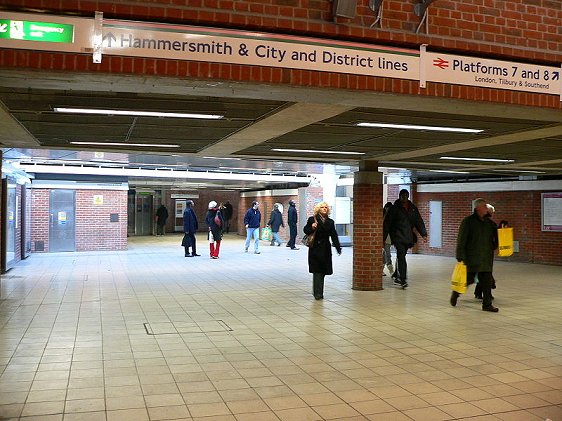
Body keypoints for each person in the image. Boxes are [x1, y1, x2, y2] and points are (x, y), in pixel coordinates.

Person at [451, 198, 499, 312]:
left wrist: (495, 245)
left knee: (486, 282)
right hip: (472, 257)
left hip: (486, 257)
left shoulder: (489, 223)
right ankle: (455, 294)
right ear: (477, 208)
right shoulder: (468, 221)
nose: (486, 208)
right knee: (468, 280)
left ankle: (487, 305)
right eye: (484, 206)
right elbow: (461, 239)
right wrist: (460, 255)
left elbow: (497, 236)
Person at [383, 189, 427, 289]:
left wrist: (424, 234)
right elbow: (387, 224)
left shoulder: (412, 208)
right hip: (397, 237)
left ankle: (396, 274)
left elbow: (418, 221)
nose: (404, 197)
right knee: (401, 256)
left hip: (408, 237)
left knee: (401, 256)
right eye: (403, 196)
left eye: (406, 196)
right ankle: (402, 279)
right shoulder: (394, 209)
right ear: (399, 196)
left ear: (408, 196)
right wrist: (383, 238)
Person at [303, 202, 342, 300]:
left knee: (323, 271)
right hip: (315, 249)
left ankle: (319, 291)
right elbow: (305, 230)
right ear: (318, 209)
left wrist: (338, 247)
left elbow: (333, 235)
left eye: (326, 207)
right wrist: (312, 227)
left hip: (325, 249)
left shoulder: (330, 221)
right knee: (317, 271)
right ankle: (317, 293)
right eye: (322, 207)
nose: (324, 209)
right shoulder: (313, 219)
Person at [382, 202, 394, 276]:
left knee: (386, 254)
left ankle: (388, 270)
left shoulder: (391, 217)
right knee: (386, 254)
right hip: (383, 237)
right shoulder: (382, 216)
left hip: (387, 238)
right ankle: (390, 270)